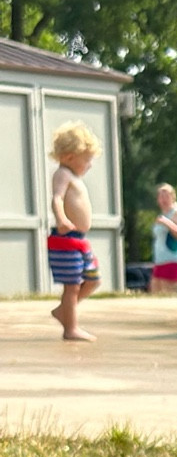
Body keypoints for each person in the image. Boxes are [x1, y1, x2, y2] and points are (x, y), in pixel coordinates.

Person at [47, 121, 101, 341]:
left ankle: (64, 311)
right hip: (65, 239)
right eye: (87, 160)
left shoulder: (74, 177)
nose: (90, 165)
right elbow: (57, 199)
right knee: (72, 286)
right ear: (69, 157)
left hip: (78, 240)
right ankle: (71, 328)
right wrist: (61, 218)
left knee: (93, 280)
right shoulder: (63, 174)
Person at [150, 183, 177, 293]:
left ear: (173, 197)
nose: (163, 199)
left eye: (166, 196)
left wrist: (168, 223)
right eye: (161, 196)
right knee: (154, 295)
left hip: (173, 260)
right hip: (160, 261)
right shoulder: (163, 214)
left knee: (167, 295)